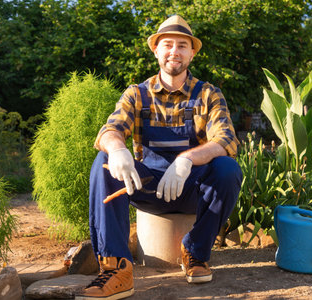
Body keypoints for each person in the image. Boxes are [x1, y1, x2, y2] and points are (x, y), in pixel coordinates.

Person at [76, 15, 242, 300]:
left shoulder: (208, 94)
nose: (174, 51)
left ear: (192, 52)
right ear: (156, 50)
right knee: (102, 164)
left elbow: (225, 140)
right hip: (146, 188)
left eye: (182, 45)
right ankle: (117, 269)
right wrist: (117, 149)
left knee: (227, 169)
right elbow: (110, 130)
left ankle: (195, 252)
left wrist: (185, 160)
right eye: (167, 44)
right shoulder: (136, 94)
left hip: (191, 188)